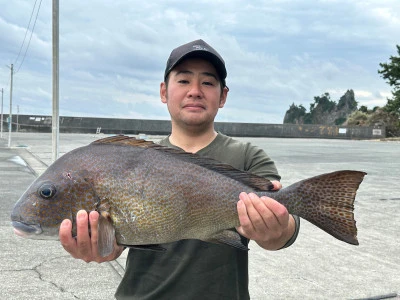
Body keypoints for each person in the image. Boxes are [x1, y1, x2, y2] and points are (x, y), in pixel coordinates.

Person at [59, 39, 300, 299]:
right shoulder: (133, 158)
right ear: (164, 91)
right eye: (183, 81)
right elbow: (115, 244)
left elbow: (285, 228)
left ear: (223, 96)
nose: (195, 91)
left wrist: (277, 228)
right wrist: (103, 246)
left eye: (207, 82)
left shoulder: (247, 156)